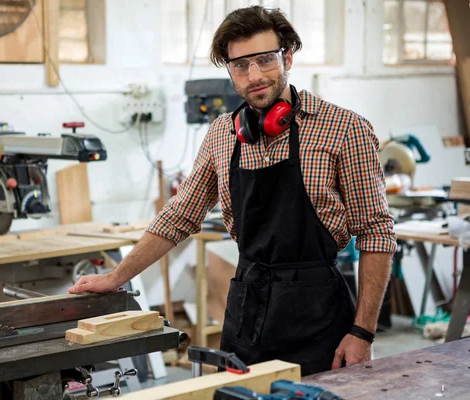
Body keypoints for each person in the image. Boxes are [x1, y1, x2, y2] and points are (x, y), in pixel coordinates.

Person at [69, 6, 396, 376]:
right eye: (240, 65)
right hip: (247, 314)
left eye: (264, 60)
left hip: (320, 318)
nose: (254, 75)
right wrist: (116, 277)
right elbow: (180, 216)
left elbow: (376, 232)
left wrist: (362, 332)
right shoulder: (223, 135)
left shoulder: (344, 128)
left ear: (287, 56)